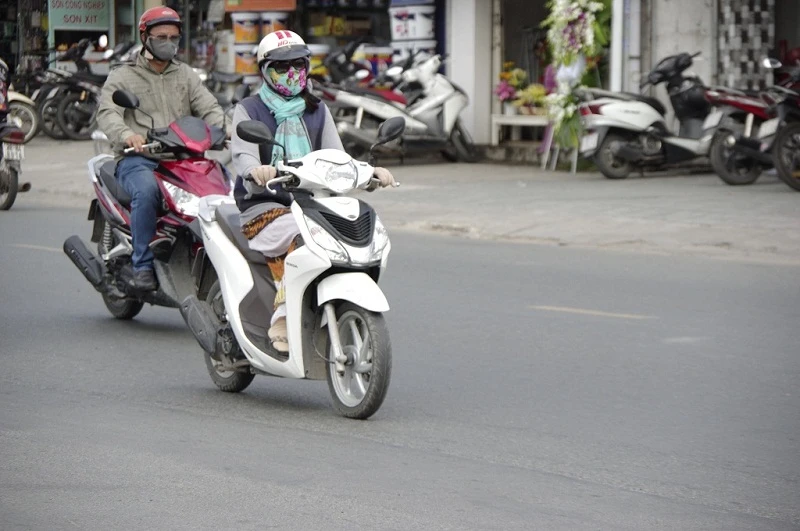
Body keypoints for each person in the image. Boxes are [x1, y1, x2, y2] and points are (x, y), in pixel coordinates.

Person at [231, 30, 396, 353]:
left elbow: (339, 158)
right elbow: (244, 156)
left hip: (313, 205)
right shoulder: (249, 109)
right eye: (282, 67)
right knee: (303, 239)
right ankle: (282, 316)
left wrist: (370, 174)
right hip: (265, 208)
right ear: (265, 70)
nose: (292, 74)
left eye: (299, 65)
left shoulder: (317, 109)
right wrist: (256, 171)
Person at [97, 7, 227, 292]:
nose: (169, 42)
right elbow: (108, 112)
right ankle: (141, 265)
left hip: (183, 159)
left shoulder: (186, 75)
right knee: (146, 192)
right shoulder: (124, 76)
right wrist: (127, 135)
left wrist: (224, 130)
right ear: (145, 38)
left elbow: (209, 108)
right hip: (140, 160)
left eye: (173, 37)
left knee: (224, 187)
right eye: (161, 37)